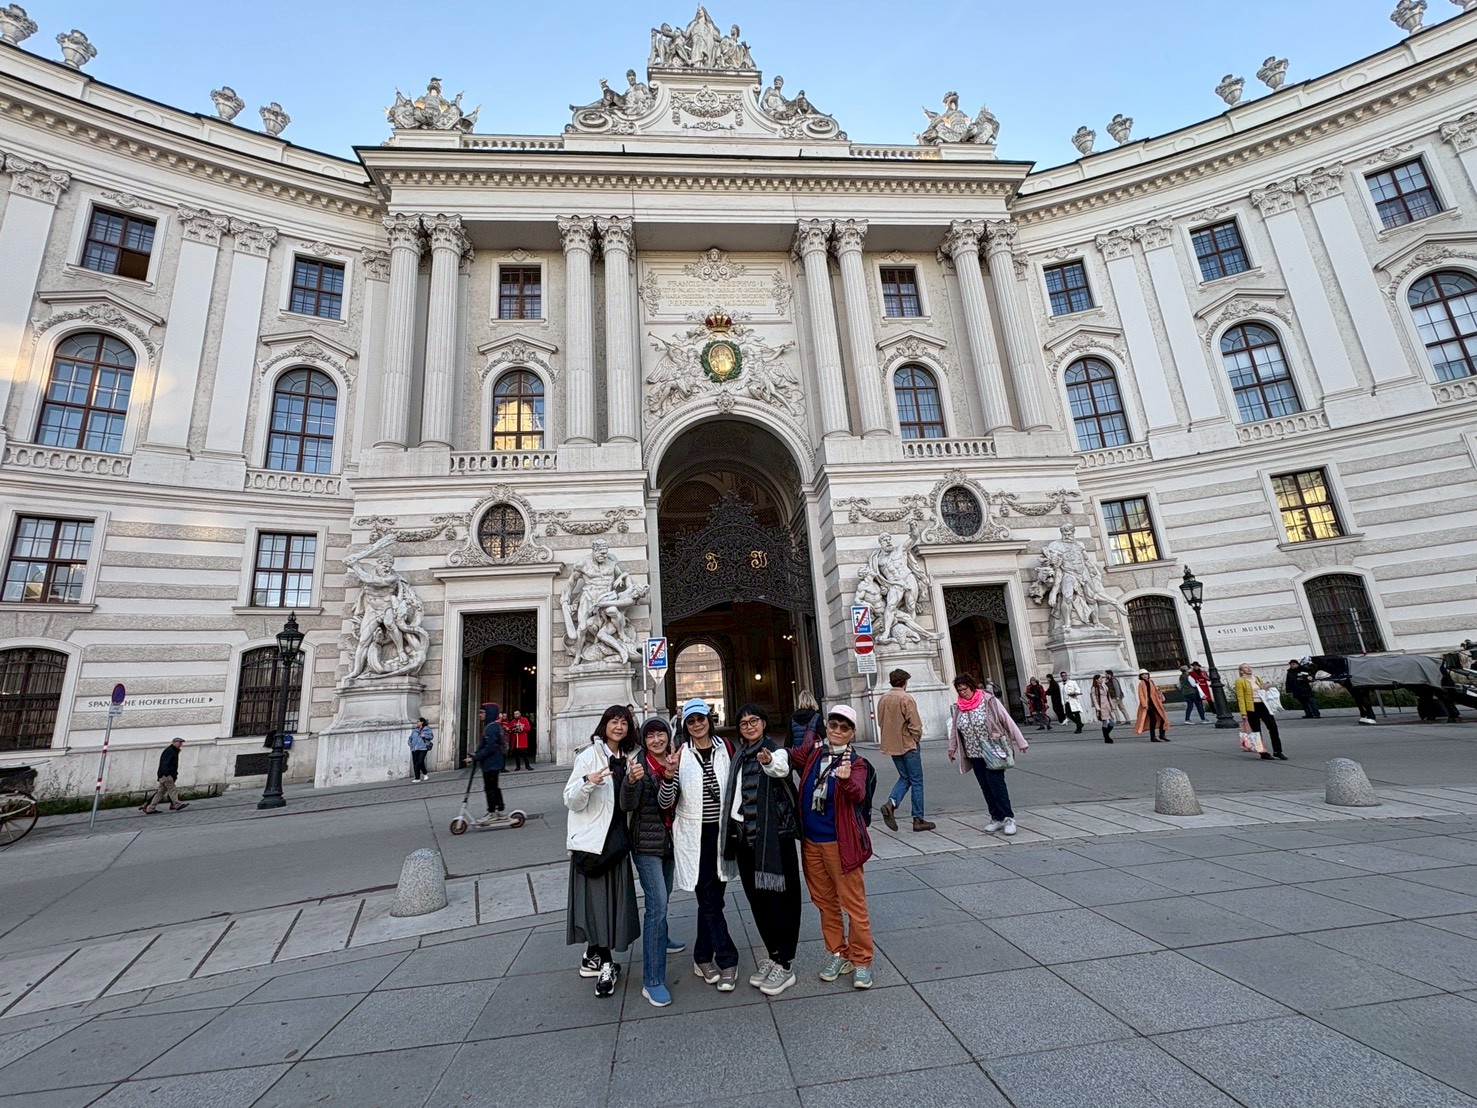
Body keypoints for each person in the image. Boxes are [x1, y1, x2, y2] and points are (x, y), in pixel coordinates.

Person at [792, 705, 876, 989]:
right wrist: (767, 754)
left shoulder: (857, 763)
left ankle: (862, 960)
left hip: (840, 844)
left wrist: (846, 780)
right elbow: (790, 756)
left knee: (853, 904)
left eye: (844, 727)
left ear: (852, 732)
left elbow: (859, 793)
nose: (837, 730)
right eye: (833, 725)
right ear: (826, 726)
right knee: (825, 902)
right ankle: (839, 953)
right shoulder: (814, 752)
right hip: (811, 843)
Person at [563, 705, 641, 999]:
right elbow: (570, 800)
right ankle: (607, 964)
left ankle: (592, 954)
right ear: (604, 725)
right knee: (598, 905)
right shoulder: (587, 756)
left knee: (609, 905)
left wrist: (633, 782)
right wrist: (587, 783)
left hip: (618, 843)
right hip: (594, 844)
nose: (619, 727)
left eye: (624, 722)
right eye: (614, 721)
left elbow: (629, 804)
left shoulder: (630, 758)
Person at [726, 704, 801, 996]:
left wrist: (767, 760)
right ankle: (773, 954)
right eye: (743, 722)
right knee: (757, 900)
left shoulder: (775, 751)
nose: (749, 726)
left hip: (774, 839)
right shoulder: (739, 755)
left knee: (781, 900)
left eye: (754, 720)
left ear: (765, 723)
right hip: (746, 838)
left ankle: (785, 963)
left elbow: (780, 767)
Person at [669, 696, 741, 991]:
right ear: (685, 725)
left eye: (701, 719)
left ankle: (701, 956)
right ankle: (727, 958)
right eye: (691, 721)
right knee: (709, 899)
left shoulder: (727, 749)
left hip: (722, 835)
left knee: (713, 901)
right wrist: (669, 775)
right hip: (693, 836)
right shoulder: (679, 754)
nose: (697, 724)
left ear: (709, 720)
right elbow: (668, 799)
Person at [622, 717, 686, 1007]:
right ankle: (652, 980)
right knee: (657, 904)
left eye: (661, 734)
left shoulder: (677, 760)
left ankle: (663, 937)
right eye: (650, 736)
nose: (657, 740)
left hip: (670, 843)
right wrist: (630, 782)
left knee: (665, 895)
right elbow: (627, 803)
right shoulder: (638, 765)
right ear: (643, 740)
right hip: (646, 845)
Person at [949, 674, 1028, 836]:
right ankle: (996, 817)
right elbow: (954, 730)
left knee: (996, 783)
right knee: (985, 785)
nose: (963, 692)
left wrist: (1021, 741)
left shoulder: (989, 701)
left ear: (972, 687)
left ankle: (1008, 818)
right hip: (974, 753)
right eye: (959, 690)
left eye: (965, 689)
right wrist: (952, 748)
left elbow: (1007, 720)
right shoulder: (960, 706)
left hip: (993, 750)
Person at [878, 669, 935, 832]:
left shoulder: (883, 699)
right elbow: (915, 724)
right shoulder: (906, 698)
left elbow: (881, 722)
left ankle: (891, 803)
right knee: (916, 780)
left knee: (905, 777)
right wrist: (915, 739)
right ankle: (918, 819)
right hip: (908, 744)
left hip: (892, 745)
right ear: (904, 682)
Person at [1235, 664, 1286, 760]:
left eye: (1249, 667)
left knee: (1273, 727)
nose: (1249, 668)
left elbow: (1262, 689)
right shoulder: (1240, 681)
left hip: (1263, 705)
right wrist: (1243, 713)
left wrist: (1266, 686)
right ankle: (1263, 752)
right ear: (1241, 671)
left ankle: (1277, 751)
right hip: (1252, 707)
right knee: (1256, 731)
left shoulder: (1257, 678)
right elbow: (1240, 697)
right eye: (1245, 667)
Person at [466, 703, 507, 819]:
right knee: (493, 787)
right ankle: (499, 809)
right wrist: (476, 754)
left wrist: (475, 758)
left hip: (492, 763)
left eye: (482, 712)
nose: (480, 715)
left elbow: (489, 748)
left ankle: (492, 812)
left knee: (490, 788)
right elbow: (485, 746)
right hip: (492, 762)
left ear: (489, 713)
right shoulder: (490, 726)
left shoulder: (491, 728)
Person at [139, 737, 188, 813]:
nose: (181, 744)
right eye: (179, 742)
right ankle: (177, 804)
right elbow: (165, 763)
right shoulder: (170, 751)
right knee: (172, 790)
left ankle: (151, 808)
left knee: (160, 793)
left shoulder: (172, 750)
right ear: (174, 742)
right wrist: (166, 774)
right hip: (166, 775)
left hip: (164, 775)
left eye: (181, 743)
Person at [1135, 671, 1171, 742]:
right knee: (1153, 719)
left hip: (1155, 703)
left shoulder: (1151, 681)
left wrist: (1159, 695)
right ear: (1140, 676)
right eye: (1143, 675)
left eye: (1146, 674)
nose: (1145, 676)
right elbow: (1141, 695)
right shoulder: (1141, 684)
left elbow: (1156, 690)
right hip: (1148, 704)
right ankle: (1153, 737)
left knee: (1163, 718)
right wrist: (1144, 704)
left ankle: (1162, 735)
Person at [1090, 673, 1116, 743]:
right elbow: (1094, 699)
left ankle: (1106, 735)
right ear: (1096, 680)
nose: (1102, 680)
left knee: (1113, 722)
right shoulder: (1094, 688)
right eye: (1100, 679)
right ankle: (1107, 738)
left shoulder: (1104, 686)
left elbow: (1108, 696)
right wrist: (1097, 707)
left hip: (1107, 706)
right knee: (1105, 722)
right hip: (1101, 707)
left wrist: (1112, 705)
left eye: (1102, 678)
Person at [408, 716, 433, 781]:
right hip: (414, 749)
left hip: (423, 748)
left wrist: (424, 735)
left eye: (418, 721)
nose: (417, 723)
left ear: (422, 722)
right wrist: (410, 744)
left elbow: (431, 736)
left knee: (419, 762)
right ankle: (421, 775)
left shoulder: (427, 729)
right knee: (416, 763)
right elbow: (410, 738)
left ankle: (418, 778)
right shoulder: (415, 731)